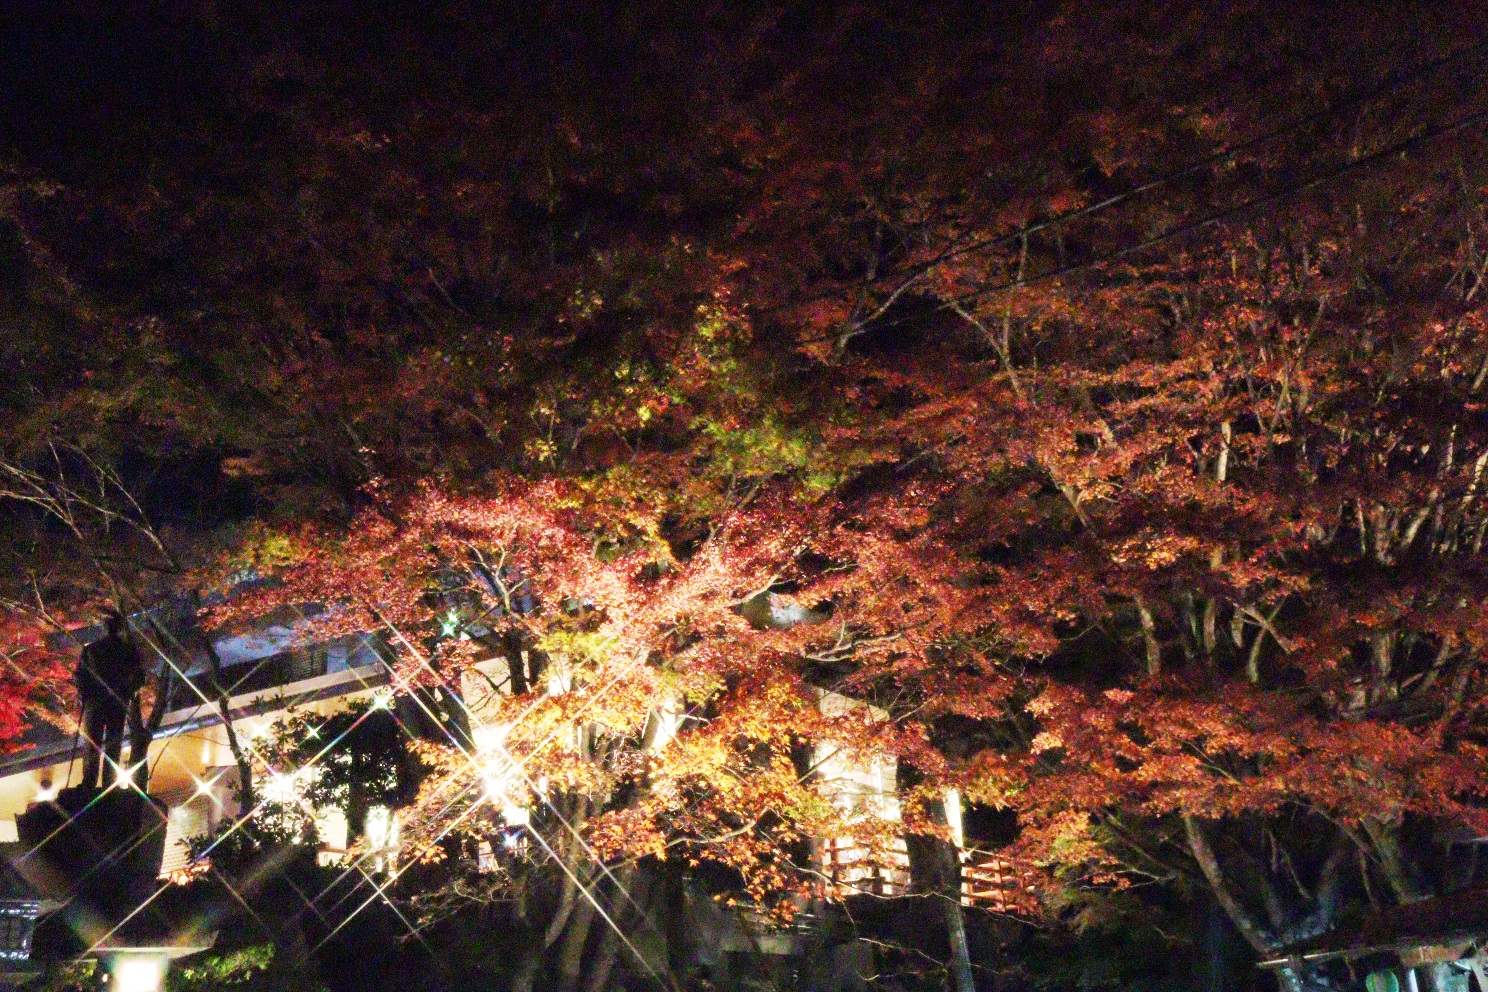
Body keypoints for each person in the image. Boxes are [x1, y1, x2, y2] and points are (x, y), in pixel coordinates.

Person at [75, 610, 145, 790]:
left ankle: (97, 782)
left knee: (99, 743)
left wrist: (86, 693)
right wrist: (127, 691)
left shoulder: (95, 649)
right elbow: (81, 676)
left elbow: (81, 677)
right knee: (106, 743)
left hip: (103, 702)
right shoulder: (122, 650)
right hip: (109, 702)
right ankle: (102, 782)